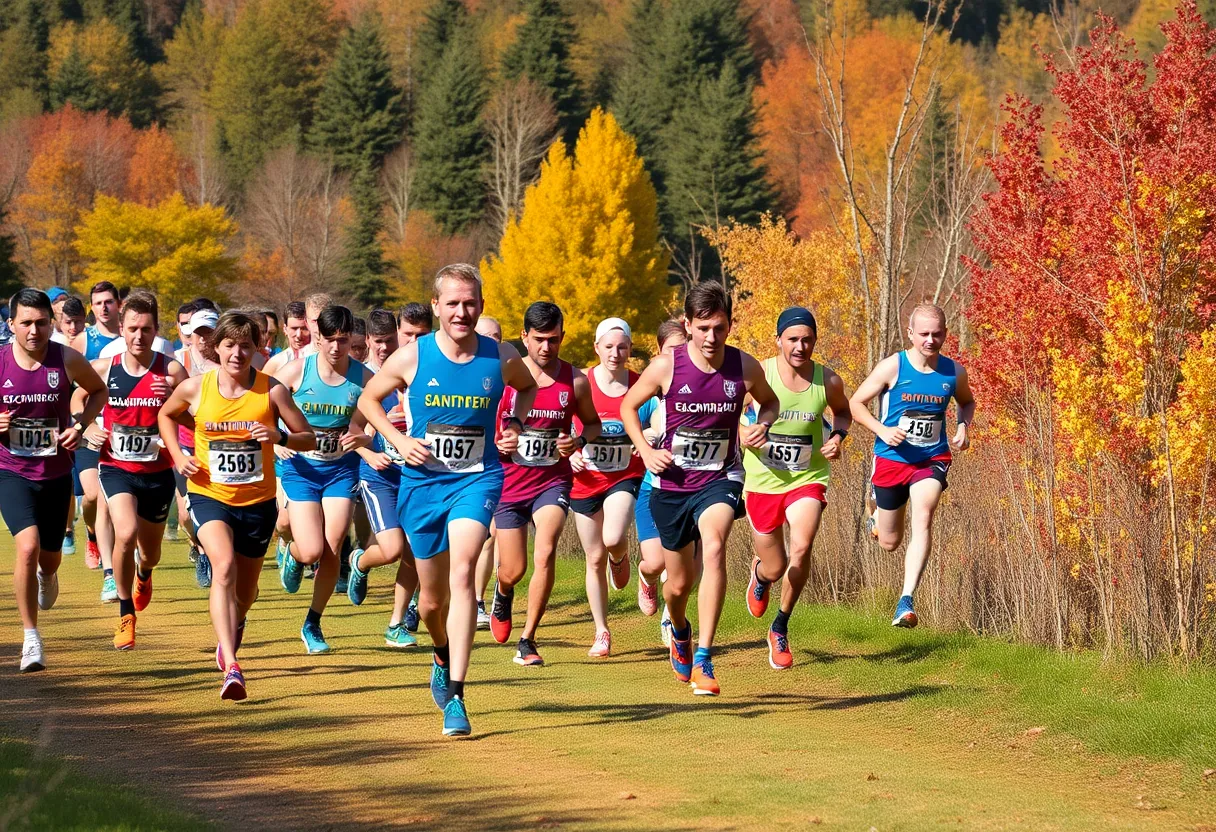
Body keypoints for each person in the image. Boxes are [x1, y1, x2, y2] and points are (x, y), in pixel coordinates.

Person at [357, 263, 536, 737]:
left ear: (480, 305)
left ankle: (456, 694)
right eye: (453, 303)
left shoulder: (500, 356)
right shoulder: (412, 357)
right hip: (421, 484)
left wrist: (514, 425)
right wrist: (396, 441)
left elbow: (528, 390)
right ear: (436, 307)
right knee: (432, 603)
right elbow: (368, 402)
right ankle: (440, 651)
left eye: (471, 303)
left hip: (477, 480)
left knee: (464, 573)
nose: (462, 312)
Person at [622, 282, 779, 697]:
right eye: (704, 328)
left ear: (731, 325)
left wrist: (761, 424)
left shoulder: (744, 367)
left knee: (714, 545)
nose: (712, 338)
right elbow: (627, 407)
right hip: (671, 483)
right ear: (687, 325)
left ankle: (706, 657)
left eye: (720, 328)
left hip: (721, 477)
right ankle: (680, 628)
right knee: (678, 585)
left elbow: (770, 401)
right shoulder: (666, 366)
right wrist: (644, 450)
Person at [159, 311, 314, 700]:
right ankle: (231, 665)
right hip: (209, 494)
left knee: (245, 593)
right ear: (216, 348)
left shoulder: (272, 391)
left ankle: (237, 621)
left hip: (257, 503)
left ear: (257, 348)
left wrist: (278, 434)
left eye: (246, 345)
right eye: (230, 344)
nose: (237, 353)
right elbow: (165, 415)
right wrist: (178, 456)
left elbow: (308, 438)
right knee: (222, 567)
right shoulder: (196, 388)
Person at [488, 302, 600, 666]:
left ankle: (528, 638)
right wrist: (499, 442)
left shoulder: (575, 380)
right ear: (524, 337)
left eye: (553, 340)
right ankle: (503, 592)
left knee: (547, 549)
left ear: (562, 338)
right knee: (513, 569)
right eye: (538, 340)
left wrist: (578, 443)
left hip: (552, 480)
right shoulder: (503, 377)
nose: (546, 348)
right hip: (508, 483)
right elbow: (481, 424)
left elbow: (593, 425)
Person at [849, 303, 974, 628]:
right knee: (890, 542)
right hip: (892, 459)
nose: (930, 341)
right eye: (924, 334)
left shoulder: (953, 372)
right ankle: (875, 516)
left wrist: (962, 427)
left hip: (931, 458)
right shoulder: (893, 367)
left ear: (946, 334)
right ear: (910, 334)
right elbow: (855, 403)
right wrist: (882, 430)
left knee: (925, 513)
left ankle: (906, 599)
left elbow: (967, 402)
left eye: (937, 334)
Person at [1, 288, 106, 671]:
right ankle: (30, 638)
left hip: (57, 472)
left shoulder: (67, 359)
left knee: (48, 557)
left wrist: (80, 425)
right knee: (26, 549)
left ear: (51, 323)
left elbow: (98, 391)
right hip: (11, 471)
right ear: (11, 324)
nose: (34, 330)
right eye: (25, 323)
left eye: (41, 323)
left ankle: (48, 574)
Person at [741, 307, 852, 669]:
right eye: (792, 339)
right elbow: (726, 413)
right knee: (776, 566)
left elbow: (843, 412)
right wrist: (743, 433)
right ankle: (761, 576)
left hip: (807, 478)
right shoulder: (758, 373)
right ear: (778, 340)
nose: (800, 347)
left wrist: (837, 438)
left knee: (801, 549)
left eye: (807, 340)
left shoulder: (827, 380)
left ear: (814, 341)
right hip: (762, 481)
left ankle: (780, 625)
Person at [77, 291, 188, 650]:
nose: (138, 336)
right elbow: (76, 397)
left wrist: (172, 394)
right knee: (125, 533)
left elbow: (190, 414)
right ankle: (126, 615)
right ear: (121, 329)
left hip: (157, 470)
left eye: (146, 329)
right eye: (132, 329)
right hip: (115, 467)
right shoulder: (105, 368)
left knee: (150, 551)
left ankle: (145, 572)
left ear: (156, 330)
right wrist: (86, 425)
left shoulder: (169, 369)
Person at [275, 305, 372, 653]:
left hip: (340, 470)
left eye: (343, 341)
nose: (336, 348)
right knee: (312, 548)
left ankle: (313, 622)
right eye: (329, 340)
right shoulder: (296, 372)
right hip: (301, 470)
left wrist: (363, 438)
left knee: (332, 549)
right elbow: (264, 404)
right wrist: (277, 440)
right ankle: (293, 552)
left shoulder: (363, 378)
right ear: (317, 338)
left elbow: (367, 423)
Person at [568, 318, 646, 657]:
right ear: (597, 347)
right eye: (609, 346)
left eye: (623, 347)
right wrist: (569, 454)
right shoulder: (580, 383)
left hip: (624, 475)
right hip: (584, 479)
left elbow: (658, 419)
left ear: (630, 349)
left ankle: (622, 554)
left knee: (612, 538)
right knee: (594, 556)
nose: (616, 353)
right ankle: (602, 631)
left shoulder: (641, 385)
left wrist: (647, 440)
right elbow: (560, 424)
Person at [347, 309, 422, 649]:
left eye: (389, 340)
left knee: (415, 551)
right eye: (375, 343)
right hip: (380, 474)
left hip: (417, 476)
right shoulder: (370, 381)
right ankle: (359, 561)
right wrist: (369, 451)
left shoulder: (423, 374)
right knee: (391, 549)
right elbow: (351, 430)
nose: (382, 348)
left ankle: (397, 622)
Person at [634, 320, 688, 640]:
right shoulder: (652, 394)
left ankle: (672, 617)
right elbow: (627, 423)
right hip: (652, 489)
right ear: (659, 352)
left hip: (692, 491)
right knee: (656, 561)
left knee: (684, 567)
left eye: (684, 349)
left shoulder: (701, 390)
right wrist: (645, 444)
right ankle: (646, 576)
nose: (679, 356)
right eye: (672, 350)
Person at [70, 282, 122, 600]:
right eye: (97, 303)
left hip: (125, 439)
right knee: (91, 498)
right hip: (89, 429)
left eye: (108, 302)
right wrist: (82, 424)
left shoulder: (138, 338)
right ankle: (92, 534)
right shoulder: (84, 343)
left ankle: (114, 567)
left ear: (119, 304)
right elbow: (71, 389)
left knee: (107, 501)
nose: (103, 308)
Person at [392, 302, 435, 635]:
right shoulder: (384, 370)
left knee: (425, 545)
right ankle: (402, 612)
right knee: (401, 547)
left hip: (435, 472)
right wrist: (391, 434)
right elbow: (359, 416)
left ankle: (412, 611)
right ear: (397, 333)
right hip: (385, 470)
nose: (414, 342)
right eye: (408, 335)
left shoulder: (438, 366)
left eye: (422, 335)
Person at [175, 306, 222, 587]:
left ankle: (212, 555)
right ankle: (199, 547)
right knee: (184, 514)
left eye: (209, 333)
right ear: (189, 334)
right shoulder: (176, 363)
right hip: (184, 447)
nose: (203, 340)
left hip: (218, 449)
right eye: (198, 334)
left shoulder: (230, 363)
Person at [472, 315, 502, 628]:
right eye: (486, 337)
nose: (491, 342)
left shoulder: (508, 370)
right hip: (462, 468)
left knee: (491, 534)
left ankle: (479, 600)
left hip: (501, 465)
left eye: (497, 336)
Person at [53, 296, 88, 555]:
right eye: (68, 322)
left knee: (88, 487)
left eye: (78, 322)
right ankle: (67, 530)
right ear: (59, 322)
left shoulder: (90, 345)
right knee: (64, 478)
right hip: (56, 423)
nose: (73, 327)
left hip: (86, 422)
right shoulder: (51, 346)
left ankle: (94, 530)